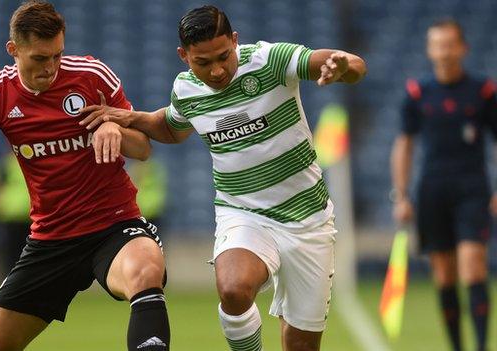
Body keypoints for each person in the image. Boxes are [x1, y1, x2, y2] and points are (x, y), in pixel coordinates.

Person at [80, 5, 366, 351]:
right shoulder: (186, 89)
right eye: (202, 62)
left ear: (234, 40)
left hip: (307, 217)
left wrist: (343, 67)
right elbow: (172, 129)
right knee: (233, 288)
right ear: (183, 56)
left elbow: (351, 64)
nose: (216, 70)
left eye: (223, 56)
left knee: (302, 346)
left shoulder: (270, 60)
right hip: (243, 212)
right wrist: (129, 118)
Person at [0, 1, 170, 350]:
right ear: (13, 50)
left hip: (113, 224)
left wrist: (115, 128)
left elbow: (143, 148)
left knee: (146, 271)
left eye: (57, 55)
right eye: (39, 58)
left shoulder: (91, 76)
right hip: (51, 237)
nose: (51, 67)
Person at [390, 19, 495, 351]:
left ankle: (480, 346)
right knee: (445, 277)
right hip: (432, 190)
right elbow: (404, 145)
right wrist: (402, 195)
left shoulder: (484, 92)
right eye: (437, 45)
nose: (444, 52)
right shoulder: (417, 93)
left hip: (473, 189)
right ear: (429, 49)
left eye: (450, 45)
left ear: (462, 48)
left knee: (473, 267)